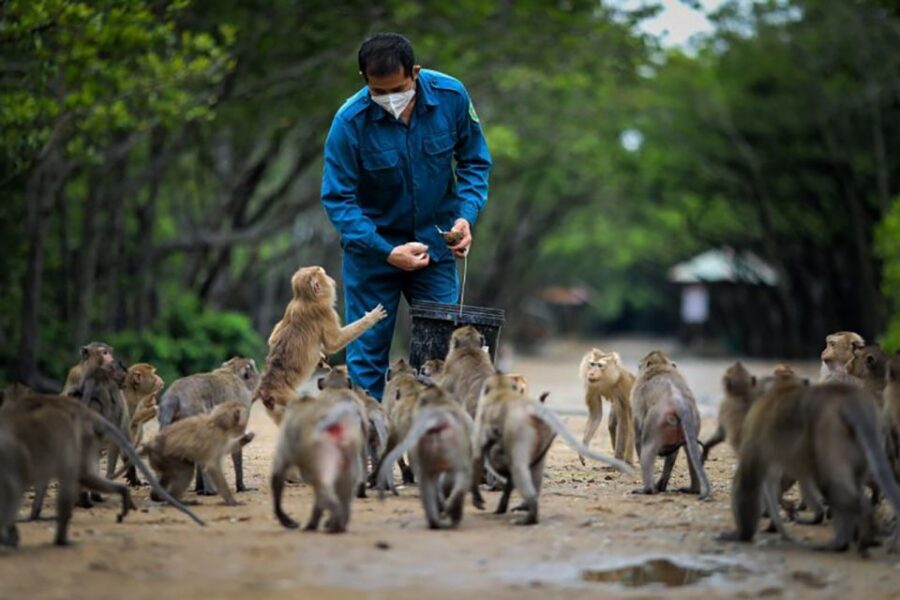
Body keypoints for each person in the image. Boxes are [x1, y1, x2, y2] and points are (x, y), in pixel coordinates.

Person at [321, 32, 492, 400]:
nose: (389, 100)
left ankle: (435, 447)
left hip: (435, 248)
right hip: (373, 254)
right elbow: (338, 200)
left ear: (414, 72)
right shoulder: (349, 122)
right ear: (364, 80)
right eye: (378, 92)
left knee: (441, 353)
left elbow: (475, 162)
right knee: (366, 356)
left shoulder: (451, 97)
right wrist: (385, 250)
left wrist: (465, 217)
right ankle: (369, 448)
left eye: (397, 89)